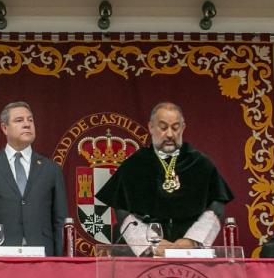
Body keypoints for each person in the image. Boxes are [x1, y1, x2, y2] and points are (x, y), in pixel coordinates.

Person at [96, 102, 233, 257]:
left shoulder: (200, 163)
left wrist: (192, 240)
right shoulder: (134, 165)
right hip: (144, 253)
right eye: (163, 127)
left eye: (175, 128)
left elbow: (216, 205)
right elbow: (122, 210)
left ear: (183, 128)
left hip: (190, 252)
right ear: (151, 127)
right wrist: (151, 243)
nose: (170, 134)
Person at [0, 101, 68, 255]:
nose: (27, 124)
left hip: (43, 258)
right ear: (4, 128)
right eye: (19, 120)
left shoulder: (51, 169)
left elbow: (60, 220)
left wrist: (61, 262)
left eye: (30, 120)